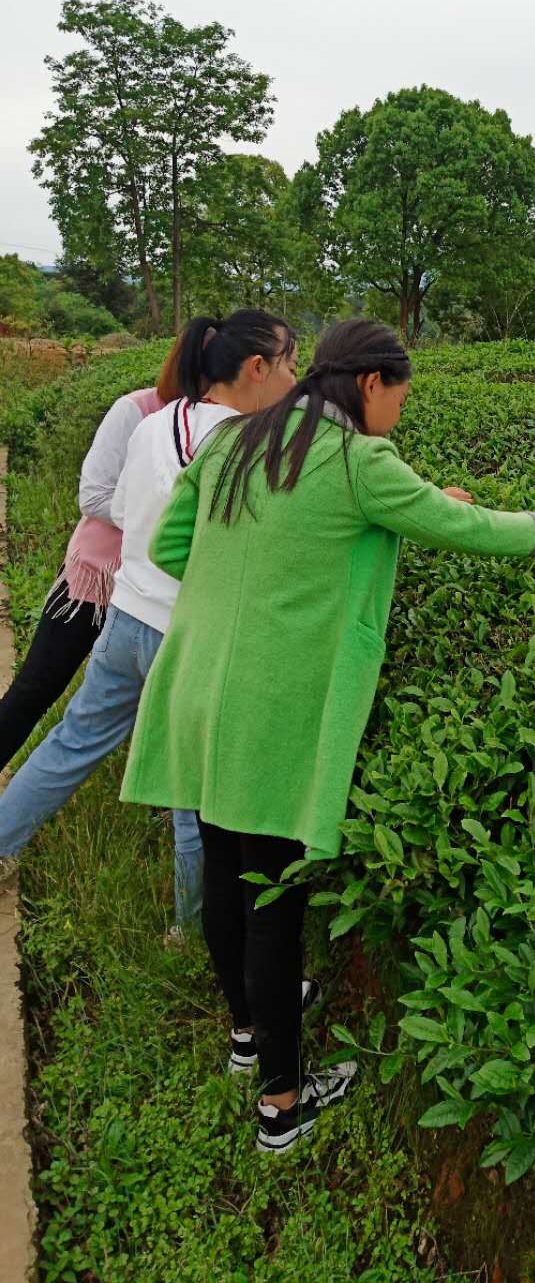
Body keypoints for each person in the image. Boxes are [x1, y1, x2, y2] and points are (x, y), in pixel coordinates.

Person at [120, 318, 535, 1152]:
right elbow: (459, 527)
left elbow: (170, 544)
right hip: (270, 707)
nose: (401, 408)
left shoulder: (237, 443)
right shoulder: (361, 462)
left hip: (198, 685)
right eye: (402, 393)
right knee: (273, 899)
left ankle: (248, 1037)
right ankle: (282, 1106)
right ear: (371, 385)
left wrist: (252, 580)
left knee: (224, 868)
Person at [0, 311, 299, 947]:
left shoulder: (156, 422)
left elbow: (134, 517)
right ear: (256, 368)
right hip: (185, 639)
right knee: (192, 798)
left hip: (126, 621)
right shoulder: (251, 448)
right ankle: (188, 932)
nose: (295, 379)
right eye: (291, 364)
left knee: (71, 742)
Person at [0, 345, 182, 778]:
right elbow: (93, 495)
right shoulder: (136, 409)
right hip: (96, 579)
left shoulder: (221, 422)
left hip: (155, 591)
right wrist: (150, 518)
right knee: (37, 686)